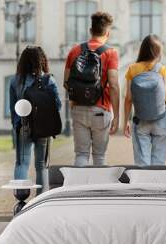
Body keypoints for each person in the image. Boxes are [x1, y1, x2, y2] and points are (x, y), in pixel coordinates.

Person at [63, 11, 120, 166]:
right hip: (101, 110)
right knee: (99, 156)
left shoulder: (75, 51)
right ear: (107, 32)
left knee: (81, 155)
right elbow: (114, 84)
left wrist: (75, 102)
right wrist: (117, 116)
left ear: (90, 30)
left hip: (79, 109)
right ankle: (98, 190)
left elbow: (66, 82)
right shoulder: (111, 53)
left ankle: (78, 188)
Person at [9, 46, 61, 194]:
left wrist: (17, 126)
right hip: (43, 127)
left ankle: (21, 198)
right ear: (42, 61)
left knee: (22, 164)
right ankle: (41, 199)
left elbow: (13, 108)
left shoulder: (15, 81)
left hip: (23, 127)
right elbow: (58, 104)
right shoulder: (49, 80)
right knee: (42, 165)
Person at [123, 35, 166, 166]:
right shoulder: (163, 69)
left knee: (142, 162)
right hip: (161, 119)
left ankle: (143, 185)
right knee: (159, 162)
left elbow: (128, 98)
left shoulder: (132, 69)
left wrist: (126, 121)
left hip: (140, 120)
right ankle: (158, 186)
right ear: (158, 51)